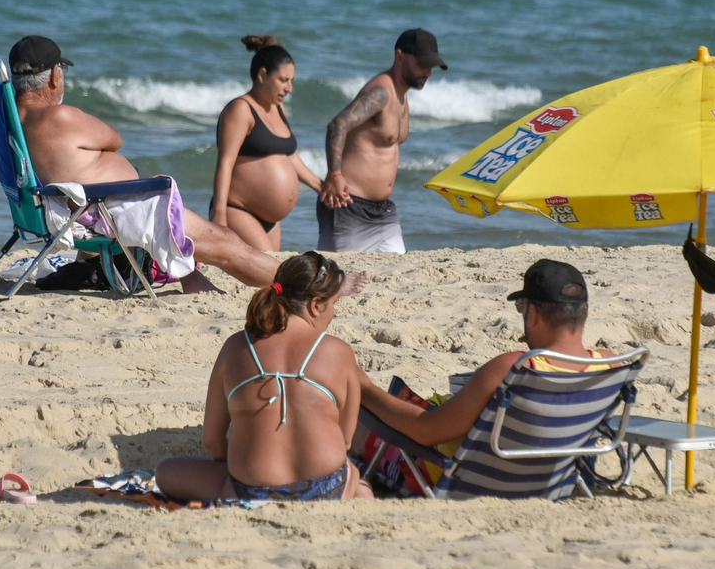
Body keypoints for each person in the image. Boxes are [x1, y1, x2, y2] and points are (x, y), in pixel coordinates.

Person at [9, 35, 281, 292]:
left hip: (81, 209)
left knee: (221, 243)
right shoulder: (59, 117)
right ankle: (300, 284)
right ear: (55, 76)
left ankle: (198, 277)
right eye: (62, 72)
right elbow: (114, 139)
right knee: (226, 243)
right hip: (112, 211)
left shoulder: (10, 121)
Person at [156, 252, 374, 502]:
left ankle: (233, 489)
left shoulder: (236, 346)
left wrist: (243, 464)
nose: (333, 312)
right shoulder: (339, 351)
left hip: (251, 489)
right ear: (316, 305)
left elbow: (212, 441)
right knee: (357, 478)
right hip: (325, 487)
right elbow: (345, 440)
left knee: (165, 472)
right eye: (334, 303)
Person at [355, 259, 615, 449]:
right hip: (559, 476)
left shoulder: (512, 367)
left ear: (533, 314)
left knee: (358, 421)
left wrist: (366, 390)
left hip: (462, 476)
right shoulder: (609, 363)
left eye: (521, 308)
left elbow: (427, 431)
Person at [316, 28, 447, 253]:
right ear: (399, 56)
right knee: (342, 280)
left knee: (398, 270)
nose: (428, 72)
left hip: (383, 210)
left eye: (431, 66)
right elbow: (338, 125)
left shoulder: (402, 96)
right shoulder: (380, 93)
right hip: (348, 205)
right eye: (422, 64)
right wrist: (335, 175)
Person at [210, 36, 323, 251]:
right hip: (239, 210)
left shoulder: (278, 108)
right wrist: (220, 215)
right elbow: (225, 163)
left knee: (271, 274)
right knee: (268, 268)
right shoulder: (241, 109)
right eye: (283, 80)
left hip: (271, 219)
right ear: (262, 75)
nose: (289, 88)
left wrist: (320, 186)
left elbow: (288, 155)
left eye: (291, 81)